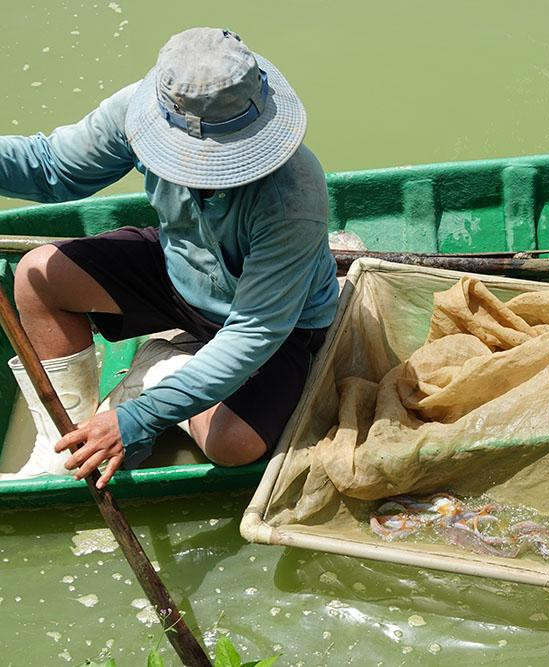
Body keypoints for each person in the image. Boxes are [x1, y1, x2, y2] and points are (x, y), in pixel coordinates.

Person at [0, 27, 338, 487]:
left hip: (274, 323)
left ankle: (160, 371)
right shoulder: (139, 110)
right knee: (38, 273)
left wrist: (140, 417)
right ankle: (66, 440)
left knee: (234, 445)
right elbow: (52, 168)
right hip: (180, 271)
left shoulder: (294, 195)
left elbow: (254, 330)